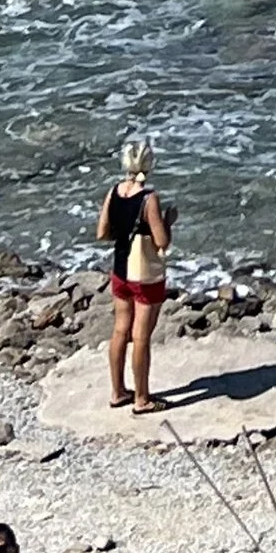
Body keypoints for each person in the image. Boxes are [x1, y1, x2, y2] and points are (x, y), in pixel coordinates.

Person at [97, 136, 172, 411]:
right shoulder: (149, 198)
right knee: (141, 336)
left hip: (120, 269)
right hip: (144, 273)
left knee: (120, 330)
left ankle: (117, 391)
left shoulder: (114, 191)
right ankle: (142, 398)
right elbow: (161, 241)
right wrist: (168, 222)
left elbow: (102, 232)